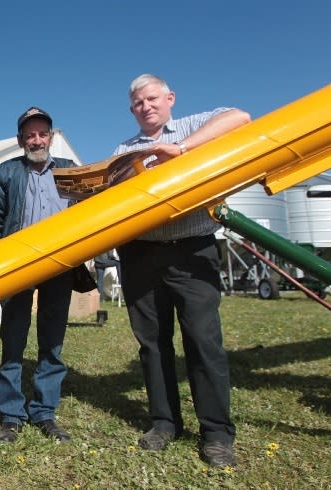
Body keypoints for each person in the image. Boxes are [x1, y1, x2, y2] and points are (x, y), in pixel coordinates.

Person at [112, 73, 250, 468]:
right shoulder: (125, 148)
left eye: (152, 98)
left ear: (170, 98)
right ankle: (164, 423)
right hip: (140, 252)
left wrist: (180, 148)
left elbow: (241, 117)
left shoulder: (194, 126)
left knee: (203, 341)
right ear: (131, 109)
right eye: (138, 103)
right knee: (152, 343)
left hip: (193, 250)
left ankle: (217, 434)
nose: (146, 107)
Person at [0, 107, 77, 445]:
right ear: (21, 139)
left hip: (60, 266)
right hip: (16, 267)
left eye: (42, 133)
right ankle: (11, 414)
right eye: (30, 134)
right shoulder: (6, 173)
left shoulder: (70, 172)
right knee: (13, 341)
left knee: (52, 342)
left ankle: (45, 412)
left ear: (50, 137)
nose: (36, 140)